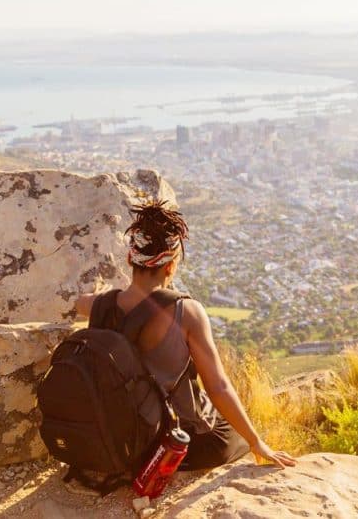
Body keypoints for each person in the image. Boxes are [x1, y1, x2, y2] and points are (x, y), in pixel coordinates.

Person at [75, 200, 296, 471]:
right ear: (170, 266)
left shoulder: (100, 305)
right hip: (173, 439)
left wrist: (103, 295)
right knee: (229, 435)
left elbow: (79, 303)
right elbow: (218, 387)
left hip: (118, 436)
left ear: (130, 258)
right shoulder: (187, 312)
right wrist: (256, 441)